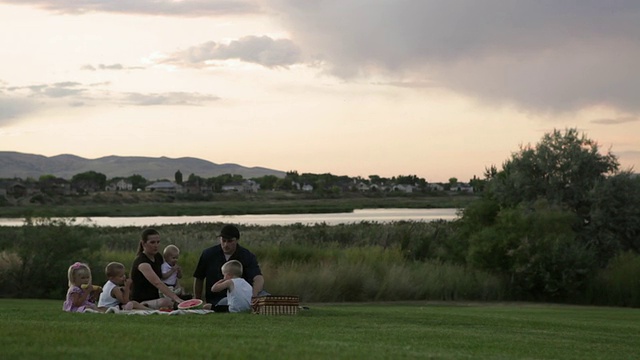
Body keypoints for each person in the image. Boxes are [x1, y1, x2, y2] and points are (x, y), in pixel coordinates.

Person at [193, 224, 267, 309]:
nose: (225, 244)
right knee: (225, 302)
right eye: (223, 241)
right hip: (219, 298)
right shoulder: (208, 254)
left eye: (230, 241)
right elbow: (199, 277)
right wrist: (197, 299)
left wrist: (254, 296)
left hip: (243, 295)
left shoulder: (247, 255)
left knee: (266, 296)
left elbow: (258, 278)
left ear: (236, 240)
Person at [130, 228, 184, 309]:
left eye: (158, 242)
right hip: (143, 299)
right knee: (165, 302)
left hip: (157, 296)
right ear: (143, 244)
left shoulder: (158, 257)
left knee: (184, 296)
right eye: (152, 242)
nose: (156, 245)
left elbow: (164, 276)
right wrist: (176, 298)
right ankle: (140, 306)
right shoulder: (142, 262)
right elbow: (157, 282)